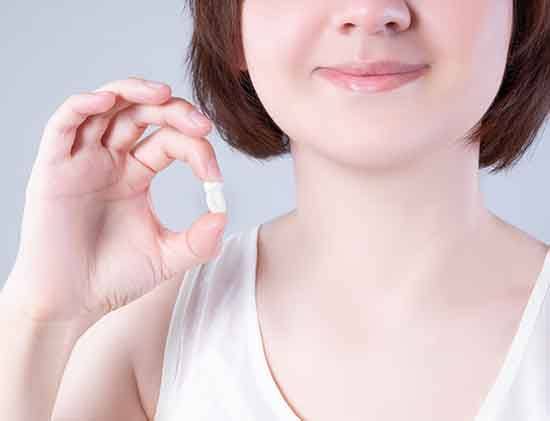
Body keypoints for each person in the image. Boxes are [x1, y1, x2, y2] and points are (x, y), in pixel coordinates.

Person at [1, 0, 550, 420]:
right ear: (234, 26)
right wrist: (43, 316)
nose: (369, 12)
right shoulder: (144, 345)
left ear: (520, 19)